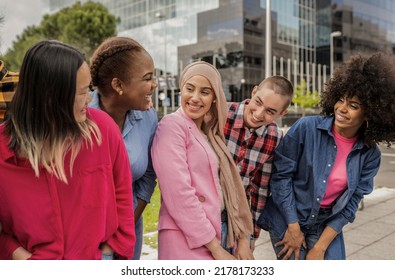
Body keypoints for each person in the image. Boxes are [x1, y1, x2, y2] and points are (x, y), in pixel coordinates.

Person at [0, 40, 135, 260]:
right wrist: (16, 254)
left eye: (88, 89)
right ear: (51, 98)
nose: (89, 99)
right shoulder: (2, 148)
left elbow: (122, 193)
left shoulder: (103, 129)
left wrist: (114, 252)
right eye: (82, 92)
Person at [258, 52, 395, 260]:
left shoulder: (370, 154)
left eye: (353, 105)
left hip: (326, 222)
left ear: (370, 114)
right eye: (341, 100)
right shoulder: (306, 128)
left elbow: (352, 203)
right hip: (289, 215)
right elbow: (280, 177)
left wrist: (321, 247)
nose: (342, 108)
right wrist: (293, 228)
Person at [151, 61, 253, 260]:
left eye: (205, 92)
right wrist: (216, 248)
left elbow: (227, 187)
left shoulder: (210, 133)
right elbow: (179, 193)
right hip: (186, 238)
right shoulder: (172, 126)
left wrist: (241, 238)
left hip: (219, 231)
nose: (195, 98)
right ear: (181, 90)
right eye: (190, 89)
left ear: (214, 97)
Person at [89, 36, 158, 260]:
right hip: (86, 233)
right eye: (147, 78)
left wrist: (126, 225)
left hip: (129, 229)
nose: (154, 84)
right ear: (118, 85)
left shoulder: (148, 117)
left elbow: (147, 178)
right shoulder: (80, 114)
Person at [224, 75, 293, 251]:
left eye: (270, 111)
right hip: (204, 209)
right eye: (258, 102)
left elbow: (260, 189)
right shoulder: (221, 115)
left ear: (282, 113)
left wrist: (251, 236)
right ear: (254, 91)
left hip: (236, 218)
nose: (259, 113)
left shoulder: (274, 137)